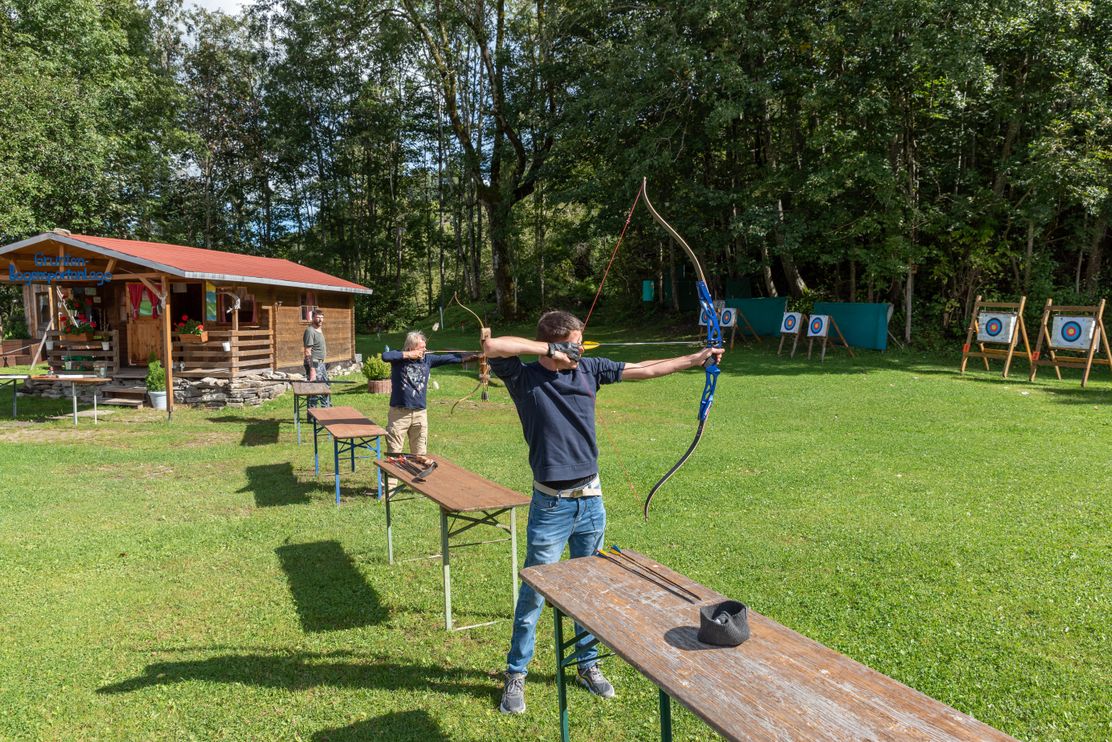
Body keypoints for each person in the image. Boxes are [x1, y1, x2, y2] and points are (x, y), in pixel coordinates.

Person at [486, 310, 724, 715]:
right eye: (575, 344)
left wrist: (694, 359)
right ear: (555, 344)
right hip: (551, 505)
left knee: (589, 591)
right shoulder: (524, 378)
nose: (582, 350)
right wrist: (552, 351)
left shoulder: (590, 369)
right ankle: (516, 673)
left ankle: (587, 664)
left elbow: (645, 369)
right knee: (534, 594)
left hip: (591, 502)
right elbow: (494, 346)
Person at [381, 331, 475, 456]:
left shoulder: (427, 359)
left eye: (425, 347)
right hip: (399, 414)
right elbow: (385, 356)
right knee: (394, 454)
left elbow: (450, 358)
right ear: (411, 347)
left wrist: (476, 356)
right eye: (421, 348)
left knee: (420, 455)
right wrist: (409, 355)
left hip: (420, 414)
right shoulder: (398, 359)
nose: (425, 350)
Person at [302, 309, 330, 407]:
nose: (320, 320)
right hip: (314, 364)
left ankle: (326, 410)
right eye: (318, 317)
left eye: (322, 317)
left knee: (325, 386)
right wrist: (312, 369)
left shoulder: (319, 329)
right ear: (313, 318)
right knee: (315, 389)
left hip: (320, 363)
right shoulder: (310, 331)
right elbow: (307, 351)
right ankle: (312, 412)